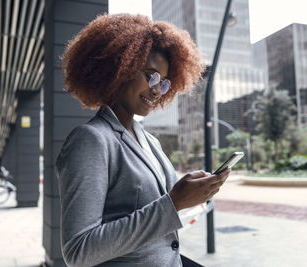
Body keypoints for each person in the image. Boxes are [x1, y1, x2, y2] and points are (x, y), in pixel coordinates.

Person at [56, 14, 230, 267]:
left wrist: (194, 190)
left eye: (165, 82)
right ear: (119, 68)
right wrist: (174, 203)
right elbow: (78, 251)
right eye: (151, 76)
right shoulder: (91, 141)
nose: (157, 90)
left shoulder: (150, 141)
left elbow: (163, 204)